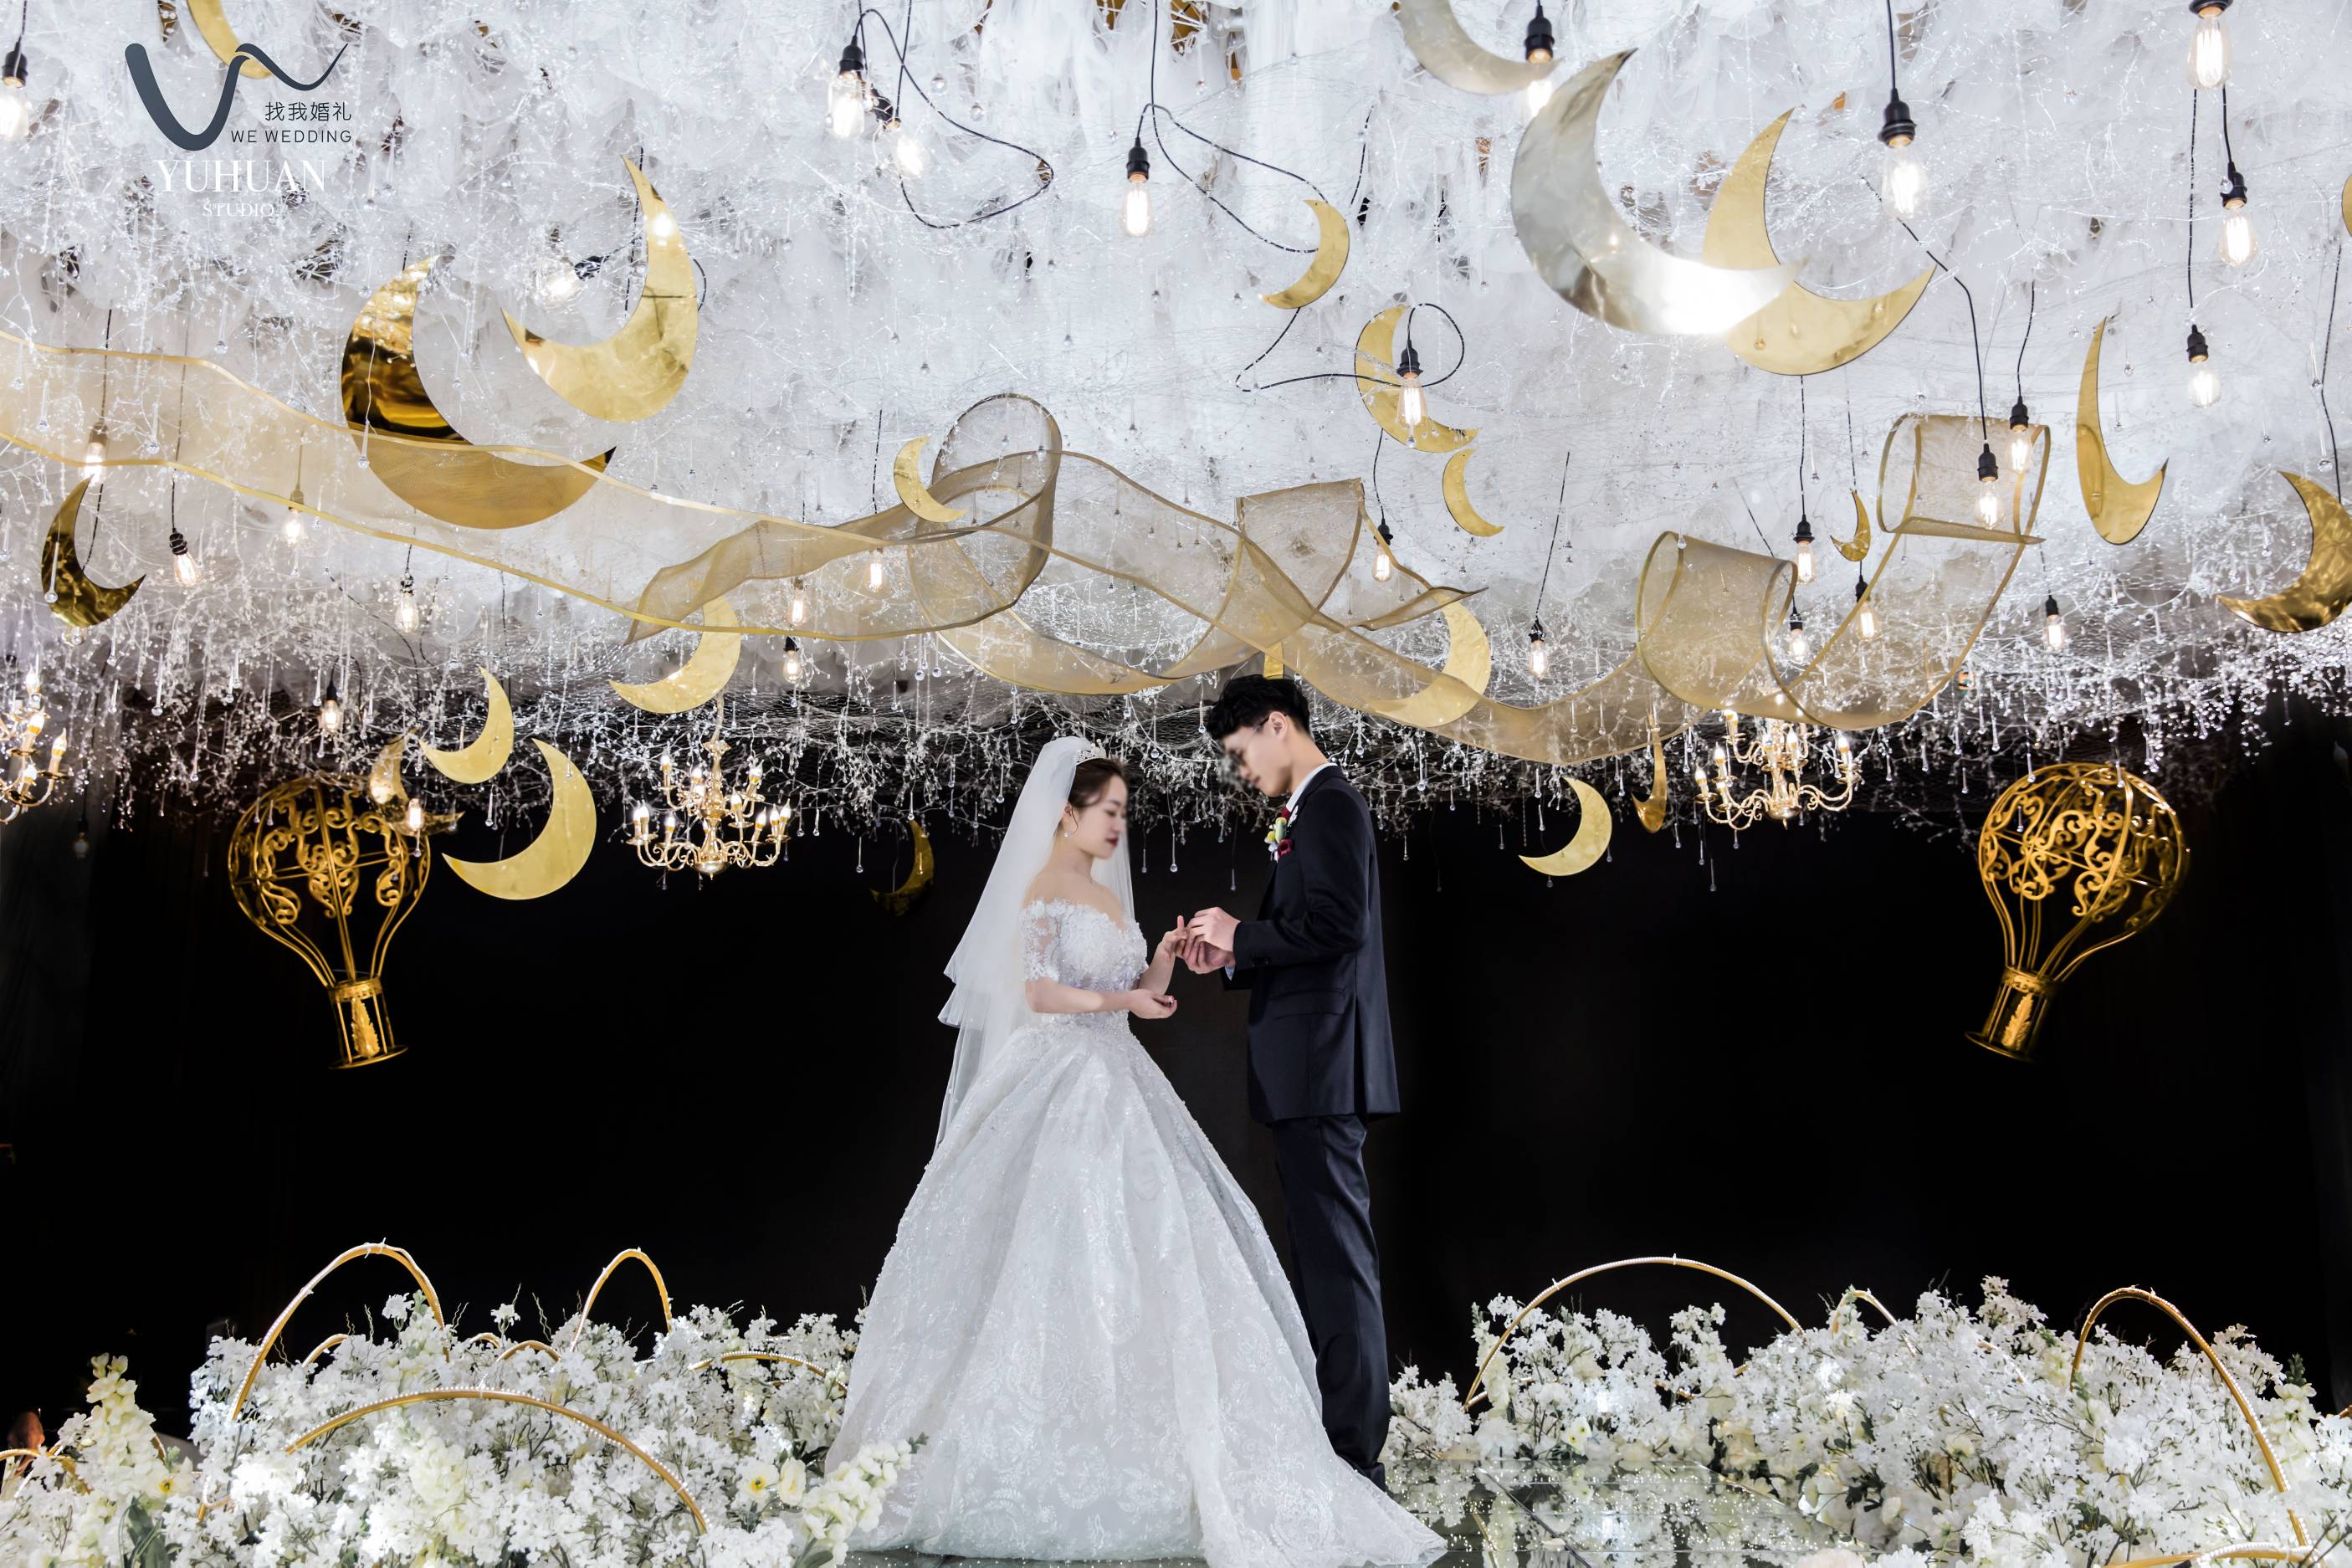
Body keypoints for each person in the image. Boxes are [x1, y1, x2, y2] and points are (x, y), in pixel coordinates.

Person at [831, 735, 1441, 1568]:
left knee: (1154, 1253)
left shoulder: (1106, 897)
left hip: (1118, 1081)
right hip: (1059, 1083)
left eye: (1124, 811)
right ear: (1068, 813)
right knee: (1057, 1251)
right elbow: (1040, 993)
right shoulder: (1045, 887)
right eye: (1109, 811)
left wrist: (1165, 958)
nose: (1120, 825)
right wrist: (1121, 998)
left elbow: (1143, 995)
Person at [1181, 674, 1401, 1491]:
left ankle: (1356, 1458)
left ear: (1278, 725)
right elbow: (1311, 932)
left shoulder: (1330, 804)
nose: (1242, 771)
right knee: (1322, 1263)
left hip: (1323, 1068)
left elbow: (1341, 925)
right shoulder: (1309, 811)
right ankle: (1342, 1449)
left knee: (1337, 1267)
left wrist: (1243, 932)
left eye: (1241, 752)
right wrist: (1233, 952)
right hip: (1310, 1071)